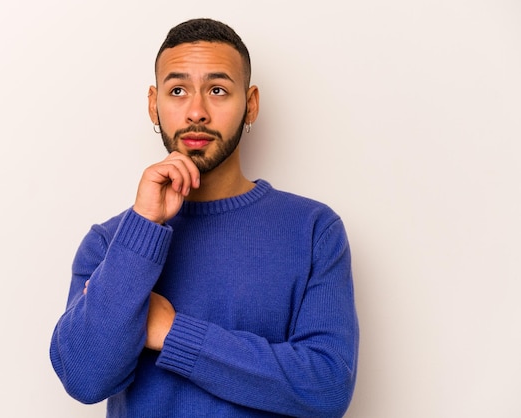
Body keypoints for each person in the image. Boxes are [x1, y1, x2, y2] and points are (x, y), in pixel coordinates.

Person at [50, 18, 359, 417]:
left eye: (217, 90)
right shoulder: (111, 243)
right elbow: (85, 379)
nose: (197, 111)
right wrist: (144, 225)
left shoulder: (313, 230)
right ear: (153, 104)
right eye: (177, 90)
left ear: (250, 104)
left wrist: (173, 333)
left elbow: (328, 387)